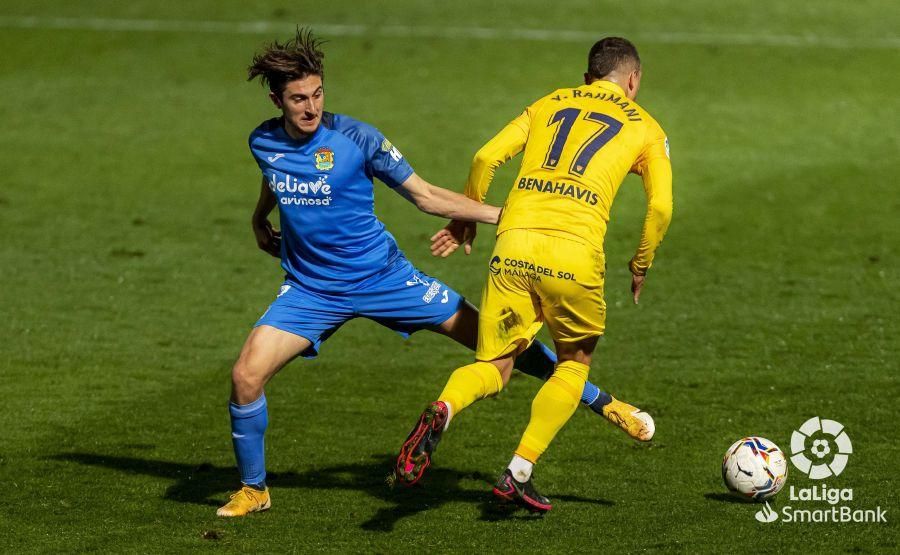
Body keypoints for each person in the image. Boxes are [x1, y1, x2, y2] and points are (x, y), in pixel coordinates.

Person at [217, 28, 627, 517]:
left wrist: (505, 215)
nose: (311, 108)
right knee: (245, 376)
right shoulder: (262, 141)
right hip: (312, 290)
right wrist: (260, 216)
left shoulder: (357, 138)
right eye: (299, 99)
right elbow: (276, 177)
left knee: (496, 343)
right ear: (276, 99)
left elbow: (425, 196)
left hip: (384, 279)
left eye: (318, 94)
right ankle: (255, 490)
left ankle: (599, 399)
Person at [394, 37, 672, 513]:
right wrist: (640, 263)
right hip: (574, 253)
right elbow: (661, 206)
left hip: (514, 243)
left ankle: (445, 407)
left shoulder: (550, 102)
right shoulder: (646, 127)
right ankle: (518, 471)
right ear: (633, 80)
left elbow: (485, 157)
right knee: (573, 362)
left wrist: (465, 219)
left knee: (495, 367)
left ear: (588, 77)